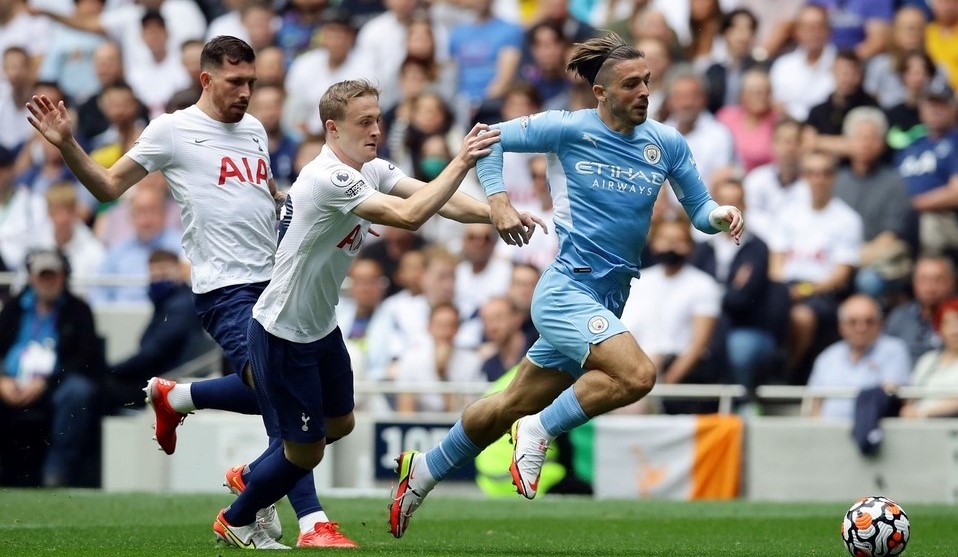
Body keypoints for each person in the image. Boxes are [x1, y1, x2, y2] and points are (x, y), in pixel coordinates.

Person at [388, 32, 743, 538]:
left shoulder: (666, 143)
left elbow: (699, 209)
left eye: (647, 81)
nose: (644, 92)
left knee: (508, 403)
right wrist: (498, 201)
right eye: (631, 84)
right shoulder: (567, 128)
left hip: (610, 297)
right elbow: (485, 136)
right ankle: (538, 431)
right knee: (638, 375)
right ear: (600, 92)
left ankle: (420, 473)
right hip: (565, 291)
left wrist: (720, 214)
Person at [25, 36, 343, 547]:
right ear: (206, 79)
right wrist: (66, 143)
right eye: (235, 82)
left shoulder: (256, 130)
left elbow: (258, 197)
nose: (245, 92)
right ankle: (310, 520)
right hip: (226, 290)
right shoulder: (173, 130)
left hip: (276, 282)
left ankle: (183, 400)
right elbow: (108, 187)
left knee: (301, 399)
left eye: (251, 82)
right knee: (282, 391)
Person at [211, 79, 532, 549]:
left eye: (378, 119)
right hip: (282, 332)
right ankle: (238, 517)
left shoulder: (370, 169)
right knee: (306, 450)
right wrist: (462, 160)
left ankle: (256, 474)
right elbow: (410, 216)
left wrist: (497, 214)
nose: (376, 129)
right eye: (364, 121)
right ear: (332, 128)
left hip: (321, 328)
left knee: (341, 423)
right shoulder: (329, 177)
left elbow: (435, 198)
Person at [0, 249, 102, 487]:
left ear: (64, 276)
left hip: (57, 384)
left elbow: (84, 358)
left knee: (78, 392)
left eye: (53, 275)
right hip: (11, 382)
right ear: (32, 278)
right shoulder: (14, 308)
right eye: (43, 276)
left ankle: (56, 471)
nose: (49, 281)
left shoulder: (78, 310)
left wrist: (46, 383)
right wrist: (2, 379)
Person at [807, 294, 911, 420]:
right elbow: (814, 405)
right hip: (827, 433)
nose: (861, 328)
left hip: (873, 434)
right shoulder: (827, 357)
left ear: (880, 324)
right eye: (853, 322)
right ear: (841, 327)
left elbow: (894, 395)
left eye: (869, 321)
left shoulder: (894, 350)